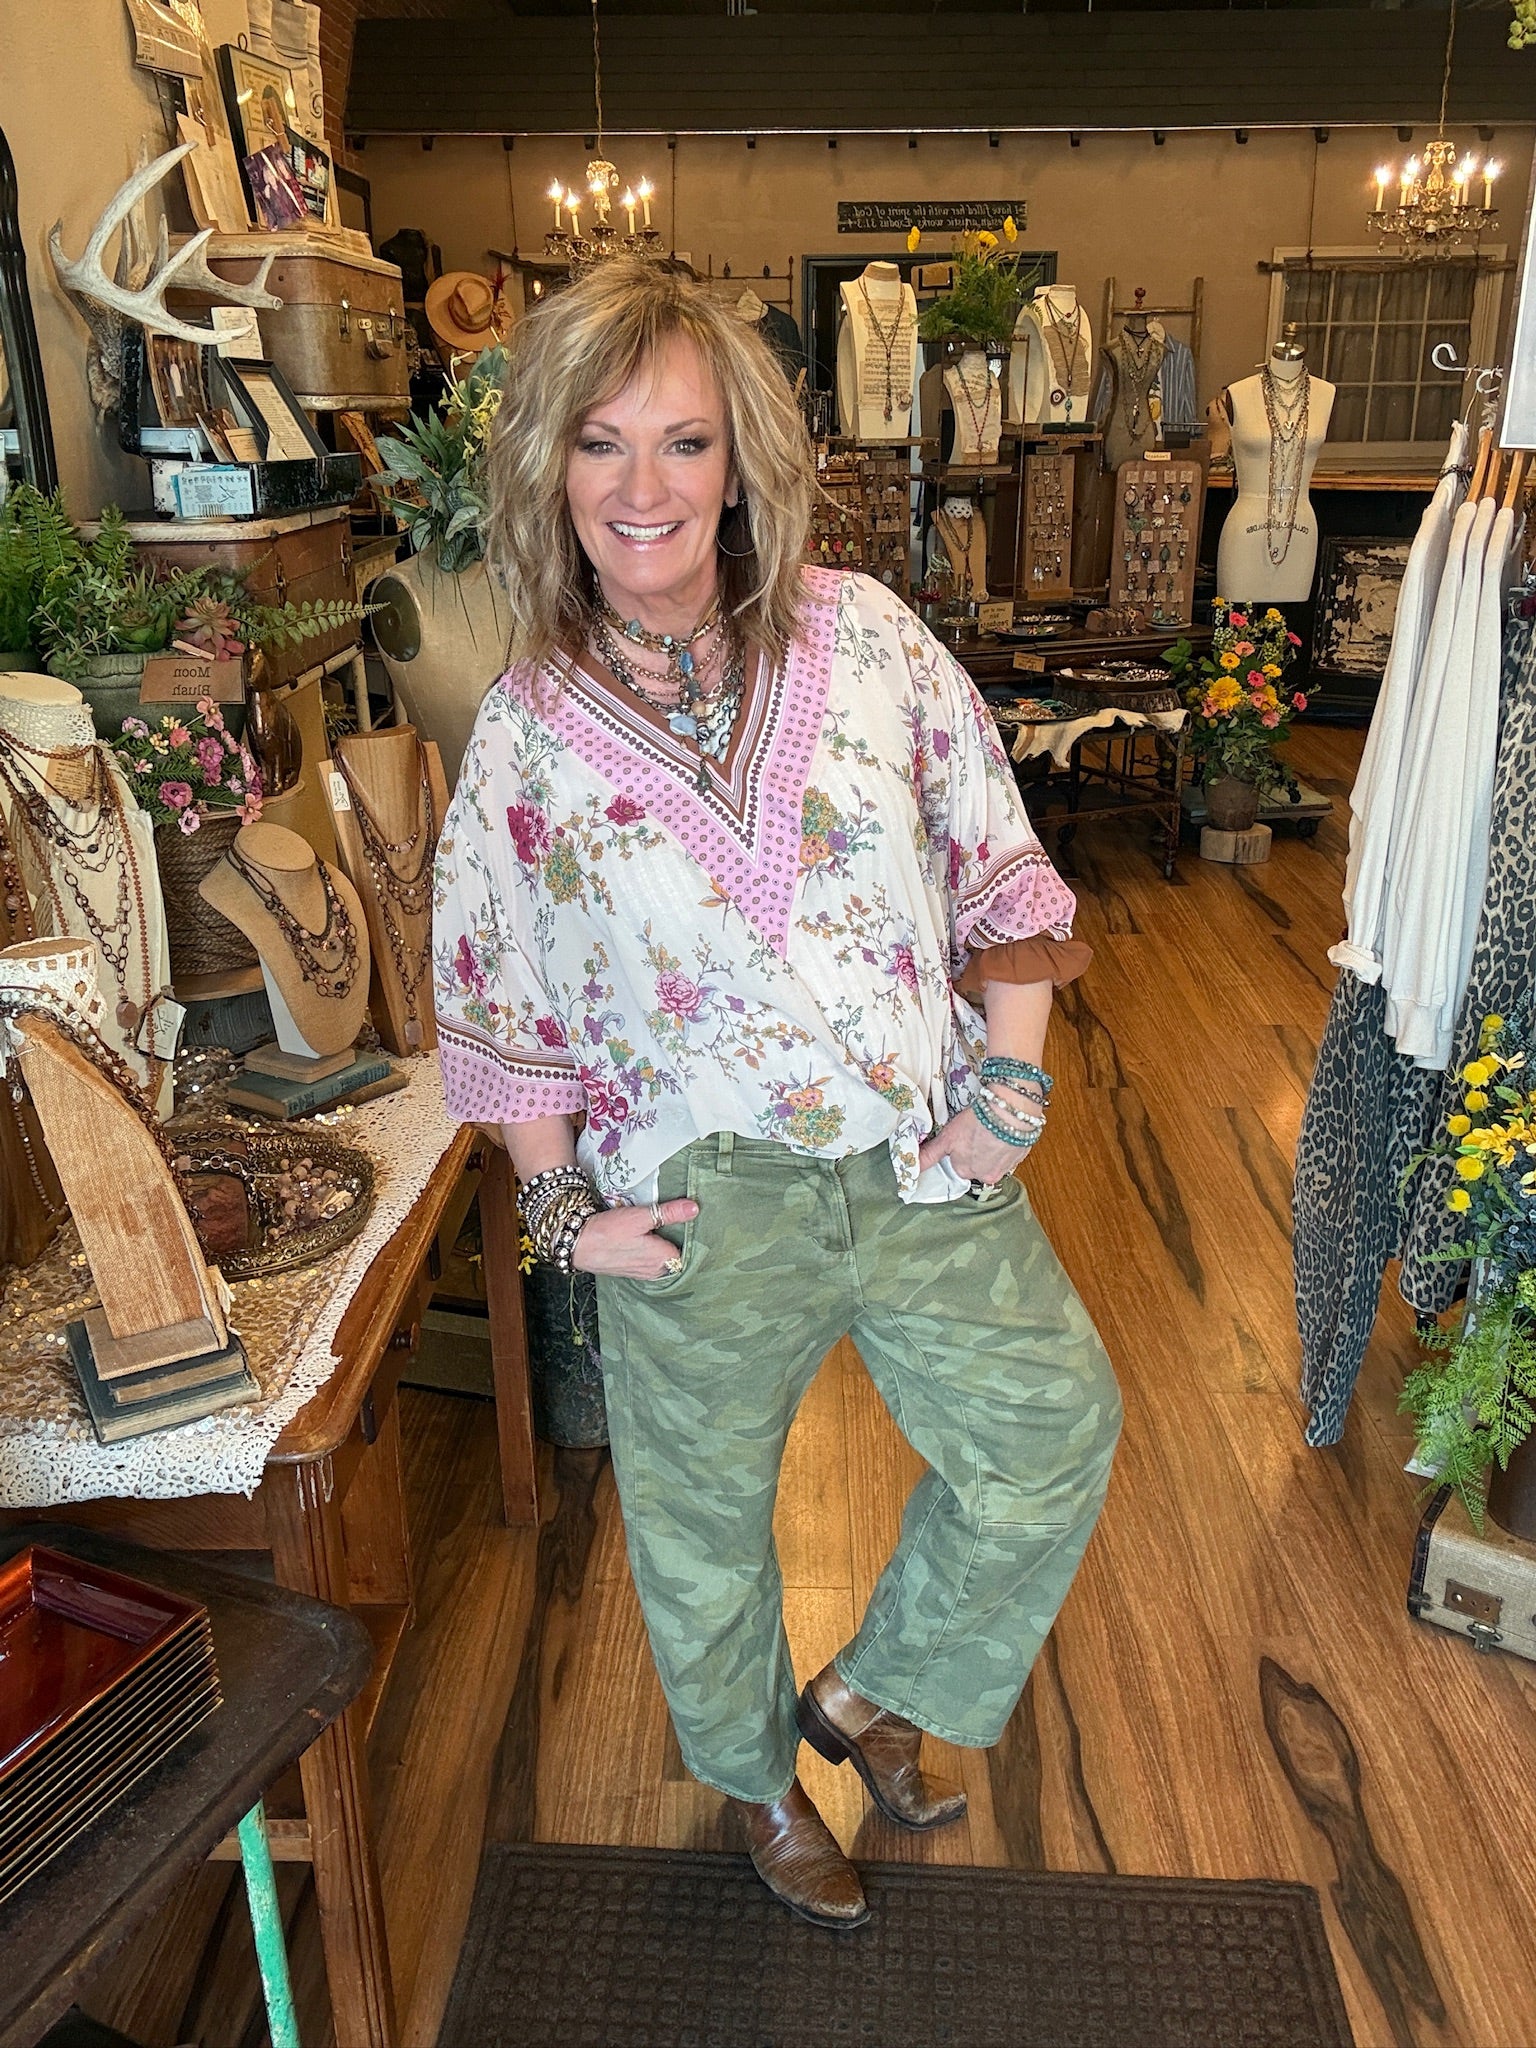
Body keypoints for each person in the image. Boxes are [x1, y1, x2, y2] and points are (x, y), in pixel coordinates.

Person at [433, 258, 1121, 1931]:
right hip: (702, 1201)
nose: (646, 487)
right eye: (602, 443)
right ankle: (757, 1786)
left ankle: (869, 1693)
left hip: (918, 1151)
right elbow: (497, 989)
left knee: (1052, 1431)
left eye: (683, 441)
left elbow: (999, 862)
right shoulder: (525, 732)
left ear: (739, 460)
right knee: (701, 1531)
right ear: (550, 469)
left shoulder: (865, 635)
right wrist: (564, 1216)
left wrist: (1012, 1088)